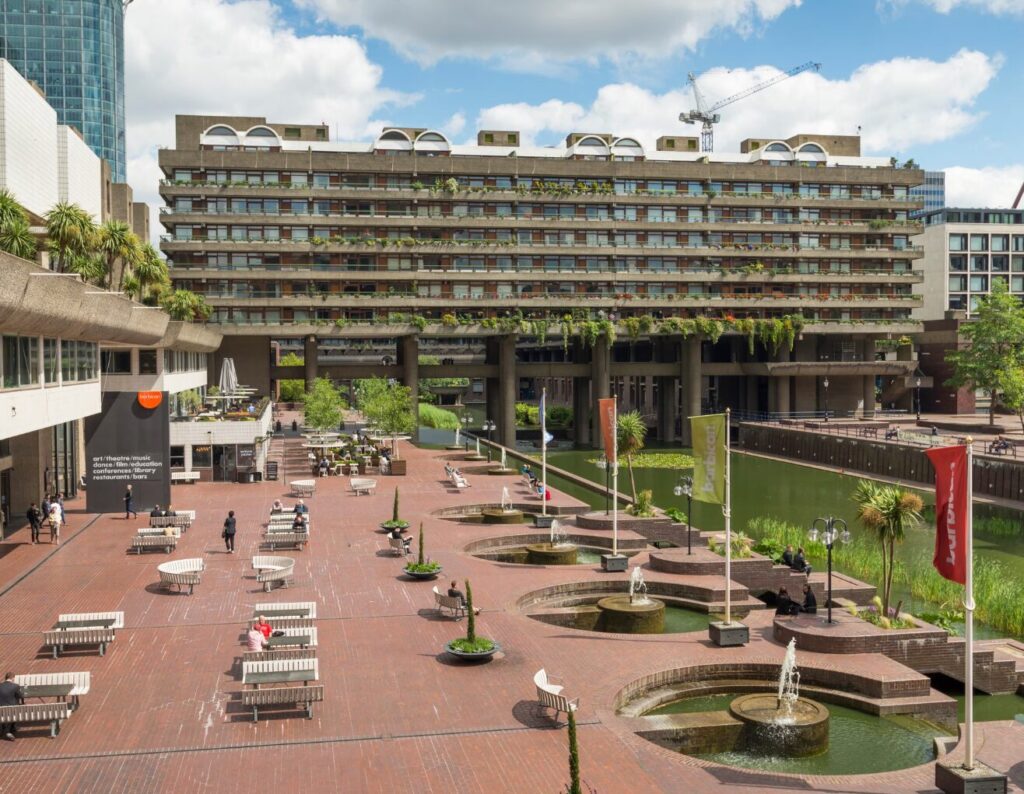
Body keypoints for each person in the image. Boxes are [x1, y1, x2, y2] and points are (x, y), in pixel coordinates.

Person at [0, 672, 24, 740]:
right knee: (15, 706)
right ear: (12, 678)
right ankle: (9, 730)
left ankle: (6, 729)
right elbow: (21, 696)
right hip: (12, 710)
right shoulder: (15, 686)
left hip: (1, 708)